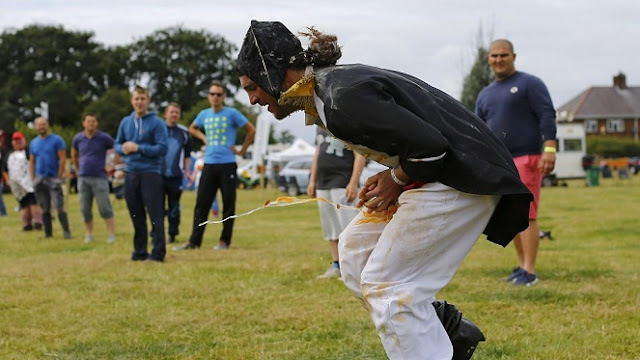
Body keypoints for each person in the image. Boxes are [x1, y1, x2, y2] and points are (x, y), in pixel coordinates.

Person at [236, 20, 532, 360]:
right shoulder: (328, 93)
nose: (253, 98)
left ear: (273, 70)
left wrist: (397, 179)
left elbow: (432, 147)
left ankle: (438, 343)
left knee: (387, 286)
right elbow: (418, 142)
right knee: (353, 255)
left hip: (466, 177)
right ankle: (444, 328)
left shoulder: (339, 98)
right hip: (446, 172)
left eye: (251, 86)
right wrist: (394, 173)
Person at [475, 39, 557, 287]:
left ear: (513, 56)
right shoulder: (485, 94)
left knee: (527, 214)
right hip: (501, 163)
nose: (499, 60)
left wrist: (549, 149)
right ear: (488, 59)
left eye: (504, 55)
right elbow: (479, 130)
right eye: (494, 56)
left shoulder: (530, 84)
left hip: (527, 157)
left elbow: (547, 115)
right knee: (511, 216)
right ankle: (521, 267)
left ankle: (530, 271)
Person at [173, 81, 255, 251]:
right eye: (212, 94)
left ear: (223, 97)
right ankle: (194, 242)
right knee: (201, 204)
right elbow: (192, 128)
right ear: (208, 96)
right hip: (209, 164)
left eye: (219, 94)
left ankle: (224, 241)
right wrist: (203, 138)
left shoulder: (232, 113)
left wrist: (241, 150)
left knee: (228, 204)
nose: (215, 97)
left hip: (227, 164)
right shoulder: (204, 114)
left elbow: (251, 130)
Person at [114, 85, 168, 262]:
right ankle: (139, 251)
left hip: (150, 173)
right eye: (136, 99)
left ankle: (158, 253)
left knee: (155, 215)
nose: (139, 102)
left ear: (148, 101)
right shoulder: (125, 122)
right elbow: (116, 144)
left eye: (142, 99)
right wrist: (122, 148)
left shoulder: (157, 123)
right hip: (131, 173)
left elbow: (162, 148)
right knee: (136, 214)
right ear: (132, 100)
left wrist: (138, 148)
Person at [308, 126, 365, 279]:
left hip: (342, 181)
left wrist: (353, 182)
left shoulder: (344, 121)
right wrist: (312, 180)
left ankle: (355, 268)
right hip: (323, 183)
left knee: (349, 228)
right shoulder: (319, 126)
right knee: (330, 227)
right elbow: (317, 153)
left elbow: (360, 154)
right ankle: (337, 265)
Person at [71, 113, 117, 244]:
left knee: (104, 206)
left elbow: (118, 148)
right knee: (85, 208)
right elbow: (74, 154)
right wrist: (78, 168)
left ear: (96, 124)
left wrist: (111, 164)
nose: (91, 124)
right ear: (84, 123)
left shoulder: (103, 138)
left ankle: (111, 234)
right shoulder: (78, 138)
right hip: (83, 177)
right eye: (88, 121)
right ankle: (89, 234)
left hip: (99, 177)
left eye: (93, 121)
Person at [29, 117, 72, 239]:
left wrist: (59, 176)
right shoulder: (33, 143)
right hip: (39, 179)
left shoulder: (57, 140)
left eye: (44, 124)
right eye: (39, 125)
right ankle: (48, 234)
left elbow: (62, 159)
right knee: (44, 207)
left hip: (53, 177)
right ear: (36, 127)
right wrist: (33, 177)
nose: (41, 127)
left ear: (47, 125)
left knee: (59, 205)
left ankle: (66, 232)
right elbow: (32, 161)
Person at [161, 102, 192, 243]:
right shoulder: (158, 129)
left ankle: (172, 235)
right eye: (171, 112)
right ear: (165, 113)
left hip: (176, 175)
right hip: (158, 174)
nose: (174, 115)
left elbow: (187, 155)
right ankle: (156, 234)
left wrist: (187, 172)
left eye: (176, 112)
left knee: (174, 207)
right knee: (157, 206)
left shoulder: (184, 132)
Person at [2, 131, 43, 230]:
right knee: (24, 205)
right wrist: (8, 180)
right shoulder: (9, 155)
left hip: (30, 182)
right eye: (16, 141)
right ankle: (27, 224)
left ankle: (38, 222)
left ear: (23, 140)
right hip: (17, 185)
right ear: (13, 142)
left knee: (34, 202)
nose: (18, 142)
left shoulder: (29, 151)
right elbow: (4, 169)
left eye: (20, 140)